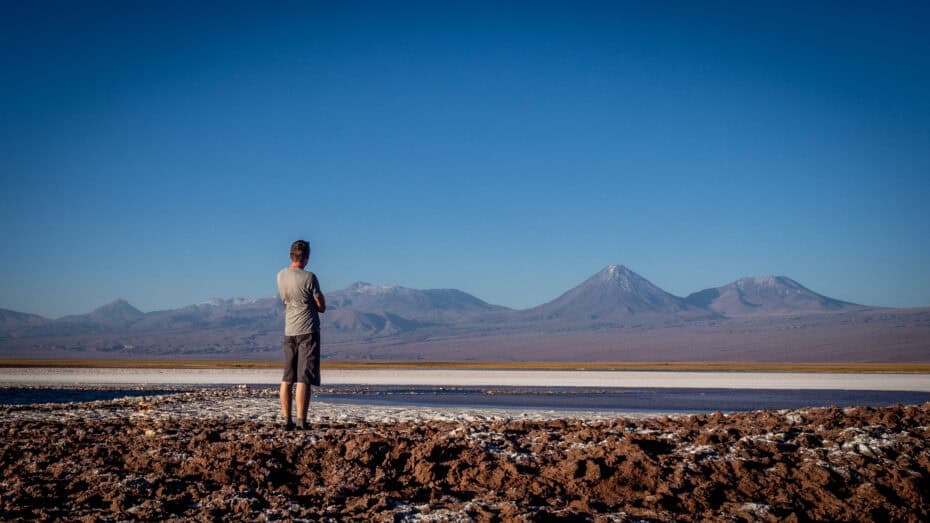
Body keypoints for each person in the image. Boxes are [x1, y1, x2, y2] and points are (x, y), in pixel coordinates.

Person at [276, 239, 326, 430]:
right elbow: (321, 306)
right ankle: (301, 421)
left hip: (289, 330)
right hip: (308, 330)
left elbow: (285, 300)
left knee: (287, 377)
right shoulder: (310, 277)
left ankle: (286, 419)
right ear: (306, 257)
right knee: (304, 378)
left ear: (291, 255)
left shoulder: (280, 276)